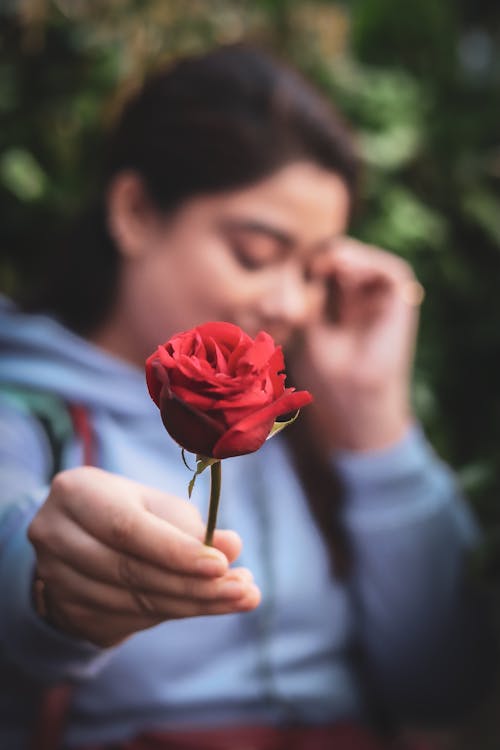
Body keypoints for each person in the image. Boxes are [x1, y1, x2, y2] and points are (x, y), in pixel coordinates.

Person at [0, 44, 493, 750]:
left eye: (314, 270)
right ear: (136, 211)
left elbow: (445, 676)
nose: (289, 303)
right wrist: (57, 588)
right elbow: (19, 557)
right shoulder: (25, 413)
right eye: (256, 255)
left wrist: (374, 416)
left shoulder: (304, 431)